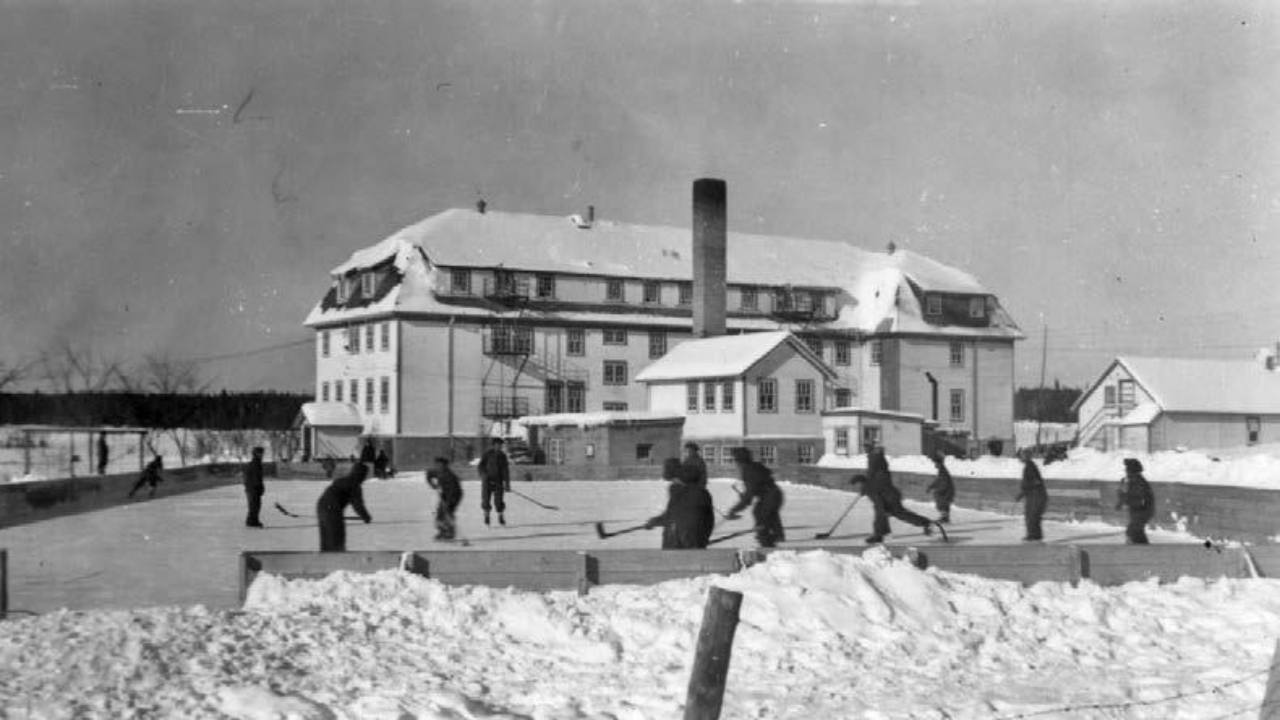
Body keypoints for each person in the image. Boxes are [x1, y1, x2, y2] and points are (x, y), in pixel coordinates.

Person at [852, 446, 933, 544]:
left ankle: (926, 523)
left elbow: (877, 486)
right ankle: (880, 534)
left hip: (889, 497)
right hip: (887, 494)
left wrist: (866, 485)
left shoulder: (876, 464)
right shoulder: (876, 463)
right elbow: (871, 476)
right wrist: (862, 479)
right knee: (882, 514)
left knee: (897, 514)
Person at [645, 457, 716, 549]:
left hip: (676, 544)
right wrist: (703, 539)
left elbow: (672, 517)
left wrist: (654, 522)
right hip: (696, 544)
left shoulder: (678, 491)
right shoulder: (704, 493)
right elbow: (709, 521)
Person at [725, 447, 785, 548]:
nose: (735, 463)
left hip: (771, 496)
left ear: (740, 460)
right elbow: (754, 488)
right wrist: (746, 496)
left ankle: (766, 543)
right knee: (764, 512)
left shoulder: (748, 470)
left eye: (735, 460)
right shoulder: (753, 466)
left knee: (761, 513)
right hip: (774, 494)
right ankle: (777, 535)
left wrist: (734, 509)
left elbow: (750, 494)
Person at [316, 461, 372, 552]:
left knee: (326, 537)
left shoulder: (343, 480)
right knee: (336, 536)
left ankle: (325, 560)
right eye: (365, 475)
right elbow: (358, 505)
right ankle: (338, 560)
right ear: (362, 475)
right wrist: (366, 517)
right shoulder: (355, 485)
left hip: (321, 506)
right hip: (333, 510)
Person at [1116, 458, 1155, 545]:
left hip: (1143, 511)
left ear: (1132, 471)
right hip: (1137, 511)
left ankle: (1138, 551)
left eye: (1127, 469)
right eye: (1126, 469)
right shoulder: (1130, 481)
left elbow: (1138, 499)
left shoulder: (1138, 482)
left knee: (1132, 531)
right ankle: (1145, 551)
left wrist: (1124, 499)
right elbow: (1127, 495)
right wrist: (1121, 500)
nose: (1125, 471)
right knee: (1137, 532)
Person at [427, 457, 463, 540]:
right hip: (445, 495)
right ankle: (443, 531)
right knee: (440, 514)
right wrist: (433, 485)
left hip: (455, 495)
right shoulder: (438, 472)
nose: (437, 466)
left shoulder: (449, 475)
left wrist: (449, 503)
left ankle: (450, 532)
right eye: (436, 464)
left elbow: (454, 490)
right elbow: (428, 474)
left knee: (447, 513)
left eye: (439, 464)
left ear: (445, 465)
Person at [1015, 452, 1048, 542]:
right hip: (1035, 495)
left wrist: (1021, 493)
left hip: (1036, 496)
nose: (1020, 458)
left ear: (1026, 457)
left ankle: (1032, 535)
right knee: (1034, 516)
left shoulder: (1030, 467)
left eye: (1022, 456)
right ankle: (1036, 535)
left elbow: (1035, 481)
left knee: (1031, 516)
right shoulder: (1030, 466)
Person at [478, 437, 511, 526]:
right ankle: (487, 516)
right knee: (485, 500)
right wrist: (484, 475)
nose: (499, 446)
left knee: (498, 501)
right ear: (493, 445)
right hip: (487, 481)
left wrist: (507, 483)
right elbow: (481, 466)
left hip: (498, 482)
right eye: (497, 445)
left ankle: (500, 516)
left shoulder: (502, 456)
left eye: (500, 445)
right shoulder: (487, 454)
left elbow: (505, 470)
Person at [926, 452, 956, 524]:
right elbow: (938, 480)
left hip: (946, 491)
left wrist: (938, 490)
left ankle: (945, 518)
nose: (934, 465)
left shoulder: (943, 471)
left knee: (942, 503)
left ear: (939, 463)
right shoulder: (941, 470)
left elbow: (944, 482)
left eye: (935, 463)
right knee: (943, 504)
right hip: (947, 490)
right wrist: (931, 487)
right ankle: (945, 518)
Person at [243, 446, 266, 528]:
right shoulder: (255, 464)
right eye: (261, 453)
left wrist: (261, 487)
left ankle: (254, 521)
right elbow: (256, 478)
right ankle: (250, 522)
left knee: (256, 505)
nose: (262, 455)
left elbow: (258, 477)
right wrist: (259, 488)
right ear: (256, 454)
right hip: (252, 489)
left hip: (252, 489)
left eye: (262, 453)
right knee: (254, 506)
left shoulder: (256, 463)